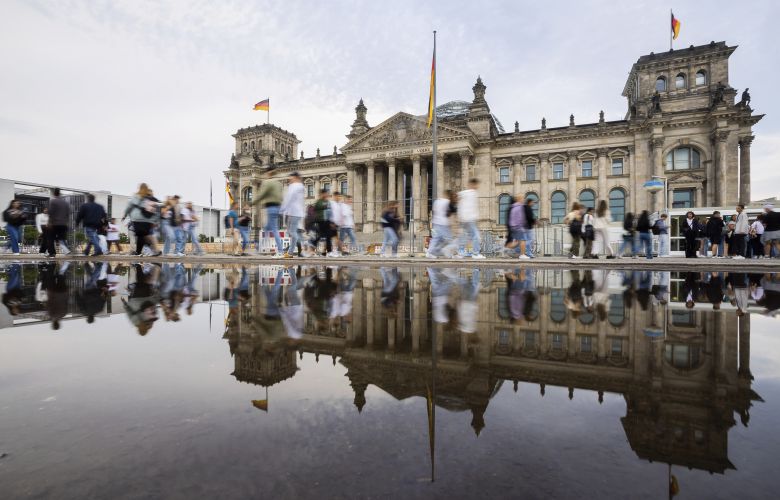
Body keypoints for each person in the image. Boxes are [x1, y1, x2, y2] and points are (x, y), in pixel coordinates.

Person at [252, 168, 284, 257]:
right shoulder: (279, 183)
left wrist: (254, 202)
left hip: (270, 207)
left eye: (266, 173)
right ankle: (259, 247)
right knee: (267, 228)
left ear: (269, 173)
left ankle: (280, 250)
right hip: (277, 207)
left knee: (274, 229)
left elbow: (262, 194)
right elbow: (281, 197)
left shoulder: (267, 182)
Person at [124, 183, 161, 256]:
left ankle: (140, 251)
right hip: (148, 219)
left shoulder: (136, 196)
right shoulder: (150, 198)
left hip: (137, 218)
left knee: (142, 235)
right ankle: (150, 250)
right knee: (144, 234)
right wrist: (155, 220)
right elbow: (156, 210)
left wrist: (125, 214)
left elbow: (129, 206)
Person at [457, 178, 485, 259]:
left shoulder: (468, 193)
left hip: (465, 218)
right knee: (476, 236)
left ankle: (460, 252)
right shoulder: (470, 193)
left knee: (466, 236)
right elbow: (458, 197)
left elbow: (459, 198)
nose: (477, 186)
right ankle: (475, 253)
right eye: (476, 184)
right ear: (473, 184)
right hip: (469, 219)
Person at [280, 171, 305, 259]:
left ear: (295, 177)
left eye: (290, 177)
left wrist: (282, 209)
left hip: (293, 212)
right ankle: (290, 252)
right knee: (292, 232)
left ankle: (307, 245)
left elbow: (288, 198)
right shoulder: (301, 186)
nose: (289, 179)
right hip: (296, 212)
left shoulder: (294, 186)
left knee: (292, 232)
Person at [47, 187, 71, 257]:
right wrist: (66, 222)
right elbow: (68, 213)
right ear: (60, 193)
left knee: (50, 238)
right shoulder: (65, 203)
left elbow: (51, 213)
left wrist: (49, 222)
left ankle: (52, 253)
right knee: (62, 238)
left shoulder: (53, 201)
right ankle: (67, 250)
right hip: (63, 224)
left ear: (54, 193)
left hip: (55, 223)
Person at [505, 194, 531, 259]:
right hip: (519, 227)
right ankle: (522, 255)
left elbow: (511, 218)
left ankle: (506, 248)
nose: (524, 200)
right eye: (522, 198)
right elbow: (521, 218)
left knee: (517, 242)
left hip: (513, 227)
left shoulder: (513, 207)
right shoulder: (520, 207)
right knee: (523, 240)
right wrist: (523, 226)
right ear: (519, 199)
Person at [312, 189, 335, 256]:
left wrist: (331, 222)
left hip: (326, 221)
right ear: (322, 194)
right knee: (322, 236)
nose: (327, 195)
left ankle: (329, 251)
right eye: (326, 193)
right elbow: (315, 210)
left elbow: (330, 212)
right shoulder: (319, 202)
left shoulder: (327, 201)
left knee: (327, 236)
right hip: (321, 221)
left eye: (327, 193)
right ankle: (313, 243)